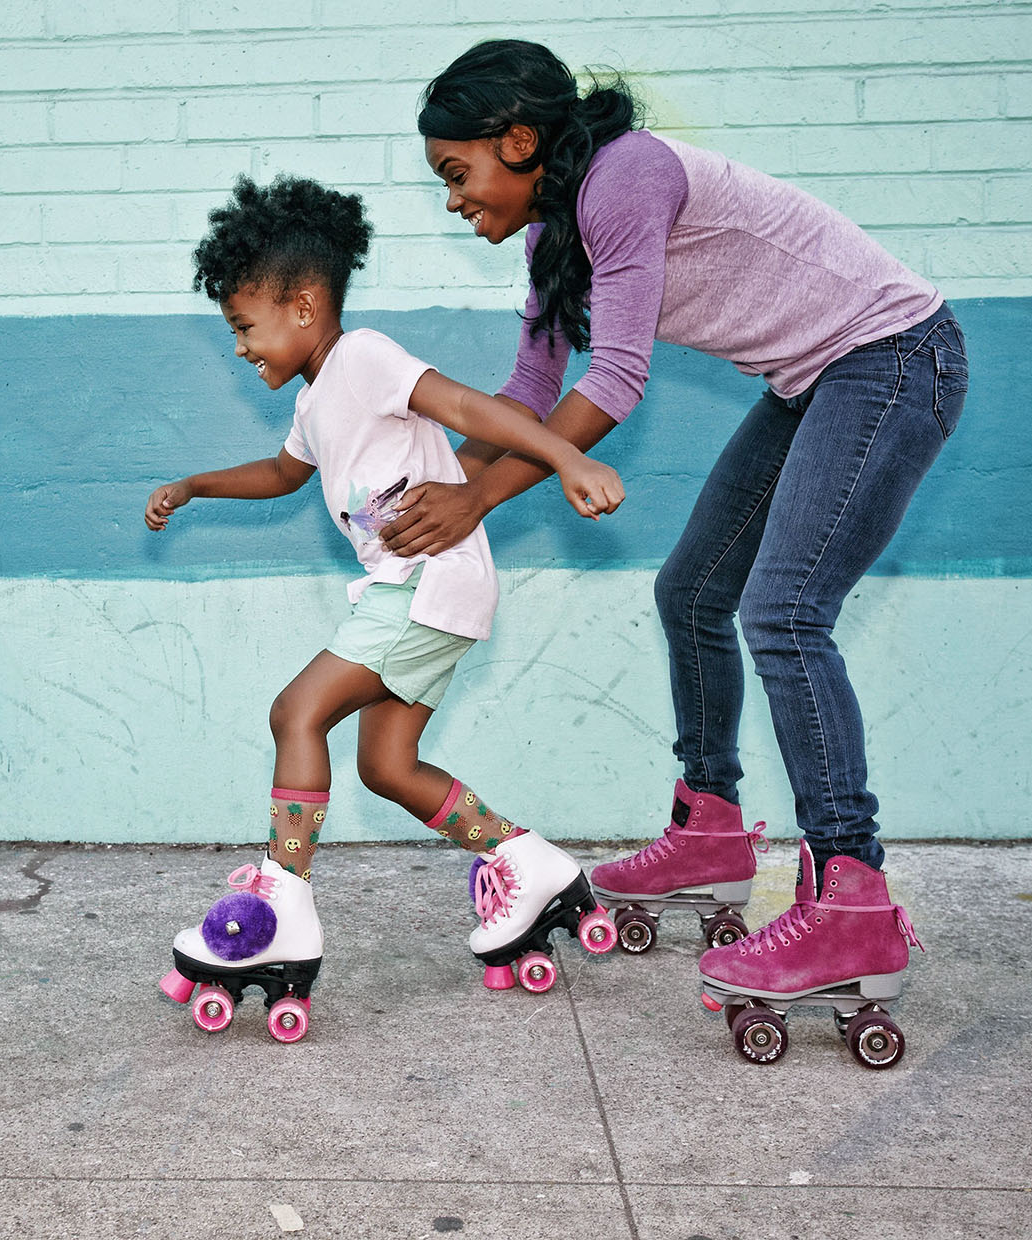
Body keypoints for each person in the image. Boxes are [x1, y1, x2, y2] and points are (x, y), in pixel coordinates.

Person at [395, 40, 951, 1039]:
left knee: (782, 613)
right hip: (815, 380)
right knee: (692, 591)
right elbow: (528, 395)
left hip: (891, 358)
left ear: (517, 140)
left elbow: (610, 383)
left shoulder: (627, 178)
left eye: (455, 173)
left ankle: (852, 898)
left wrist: (473, 505)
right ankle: (709, 828)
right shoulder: (551, 238)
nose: (451, 199)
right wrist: (449, 487)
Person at [148, 174, 627, 1040]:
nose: (240, 348)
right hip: (425, 590)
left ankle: (282, 907)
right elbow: (283, 474)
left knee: (297, 710)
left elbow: (468, 407)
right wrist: (193, 486)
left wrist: (563, 458)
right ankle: (530, 862)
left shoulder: (363, 358)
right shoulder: (312, 399)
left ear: (302, 306)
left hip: (427, 581)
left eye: (244, 327)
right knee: (386, 768)